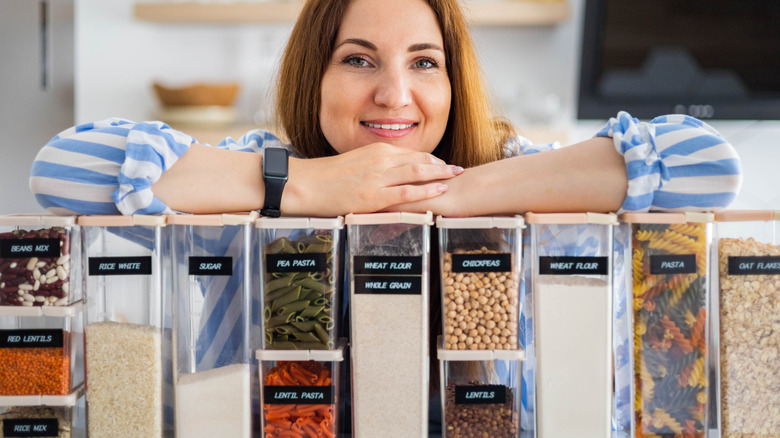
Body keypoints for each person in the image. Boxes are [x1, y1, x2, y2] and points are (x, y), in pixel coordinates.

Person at [28, 0, 742, 435]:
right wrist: (303, 186)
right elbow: (60, 169)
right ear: (317, 76)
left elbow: (708, 163)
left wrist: (458, 192)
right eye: (359, 59)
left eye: (424, 63)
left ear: (453, 82)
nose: (394, 93)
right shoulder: (258, 177)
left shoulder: (517, 170)